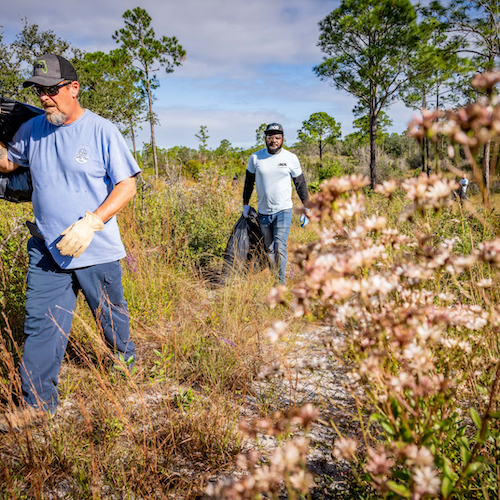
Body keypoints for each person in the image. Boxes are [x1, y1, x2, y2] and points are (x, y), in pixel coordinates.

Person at [0, 54, 140, 422]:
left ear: (73, 88)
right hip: (48, 250)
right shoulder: (32, 130)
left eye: (52, 90)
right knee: (42, 325)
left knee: (111, 320)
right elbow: (9, 164)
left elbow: (127, 186)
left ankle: (125, 362)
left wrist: (91, 222)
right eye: (39, 91)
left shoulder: (101, 130)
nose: (45, 98)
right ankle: (36, 407)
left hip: (95, 248)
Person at [242, 123, 309, 285]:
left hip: (283, 210)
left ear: (282, 139)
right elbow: (249, 182)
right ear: (265, 139)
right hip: (263, 212)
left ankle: (280, 284)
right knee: (269, 249)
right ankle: (275, 276)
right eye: (270, 137)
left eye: (277, 137)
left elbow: (300, 184)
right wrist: (245, 203)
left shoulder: (290, 158)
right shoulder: (255, 158)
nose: (273, 140)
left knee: (280, 247)